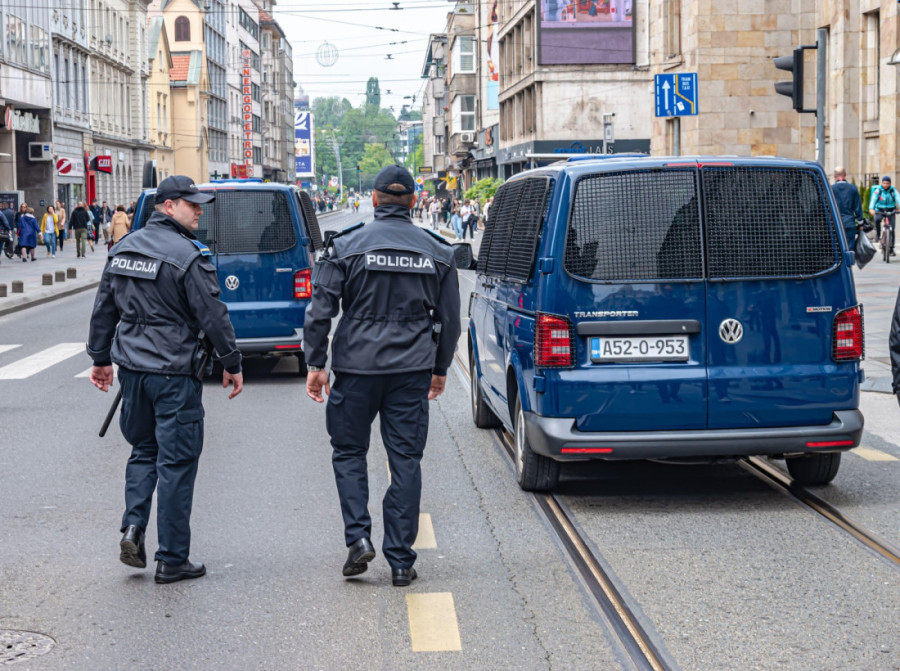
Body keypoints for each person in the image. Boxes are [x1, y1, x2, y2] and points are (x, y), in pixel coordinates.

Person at [304, 165, 461, 587]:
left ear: (373, 200)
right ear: (413, 202)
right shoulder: (438, 251)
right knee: (405, 460)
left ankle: (358, 539)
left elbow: (320, 312)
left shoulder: (346, 247)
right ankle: (401, 561)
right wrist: (440, 368)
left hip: (355, 368)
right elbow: (450, 320)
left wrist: (316, 365)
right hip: (411, 370)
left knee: (349, 452)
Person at [87, 175, 244, 585]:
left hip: (134, 375)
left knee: (143, 450)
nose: (199, 211)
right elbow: (213, 314)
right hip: (175, 374)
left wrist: (100, 359)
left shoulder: (122, 249)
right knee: (176, 462)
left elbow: (104, 308)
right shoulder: (187, 256)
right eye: (193, 204)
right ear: (169, 205)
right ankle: (172, 559)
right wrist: (231, 360)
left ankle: (133, 529)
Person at [831, 167, 864, 251]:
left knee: (836, 247)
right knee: (849, 248)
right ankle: (848, 263)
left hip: (835, 223)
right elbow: (857, 207)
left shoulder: (831, 189)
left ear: (834, 176)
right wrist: (860, 223)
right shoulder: (853, 188)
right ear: (845, 174)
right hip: (849, 222)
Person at [869, 176, 899, 256]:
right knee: (876, 220)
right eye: (884, 183)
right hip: (880, 210)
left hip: (891, 210)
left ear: (890, 184)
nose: (886, 185)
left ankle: (892, 249)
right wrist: (871, 208)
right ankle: (878, 234)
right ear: (882, 183)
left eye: (887, 183)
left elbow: (898, 198)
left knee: (892, 229)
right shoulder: (878, 190)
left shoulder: (893, 190)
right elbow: (873, 199)